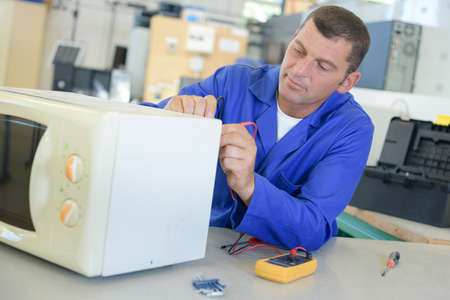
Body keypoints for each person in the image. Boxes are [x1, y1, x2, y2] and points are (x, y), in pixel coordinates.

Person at [142, 5, 373, 251]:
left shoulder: (351, 129)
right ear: (293, 39)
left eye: (322, 66)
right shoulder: (232, 83)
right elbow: (135, 124)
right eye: (298, 51)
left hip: (270, 261)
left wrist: (249, 186)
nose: (299, 70)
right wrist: (169, 116)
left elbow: (313, 227)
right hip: (192, 241)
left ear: (347, 82)